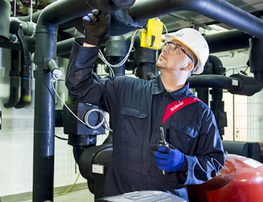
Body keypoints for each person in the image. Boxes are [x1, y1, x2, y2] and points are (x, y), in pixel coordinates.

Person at [65, 10, 225, 201]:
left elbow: (214, 161)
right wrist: (90, 41)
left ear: (189, 66)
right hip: (119, 197)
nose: (166, 48)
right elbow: (78, 84)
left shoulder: (200, 113)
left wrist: (184, 163)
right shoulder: (125, 88)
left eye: (176, 47)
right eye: (167, 43)